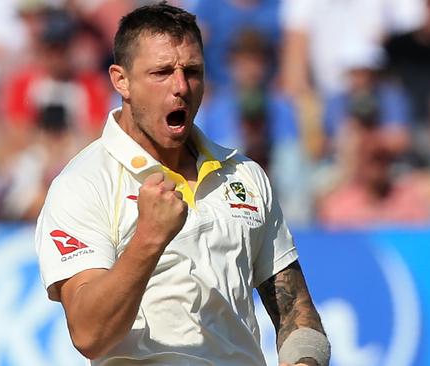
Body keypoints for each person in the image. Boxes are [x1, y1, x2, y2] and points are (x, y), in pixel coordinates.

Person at [35, 3, 329, 366]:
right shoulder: (84, 182)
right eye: (161, 72)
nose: (180, 87)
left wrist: (305, 361)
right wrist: (149, 238)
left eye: (192, 72)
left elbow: (295, 310)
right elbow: (88, 334)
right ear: (120, 80)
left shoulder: (243, 175)